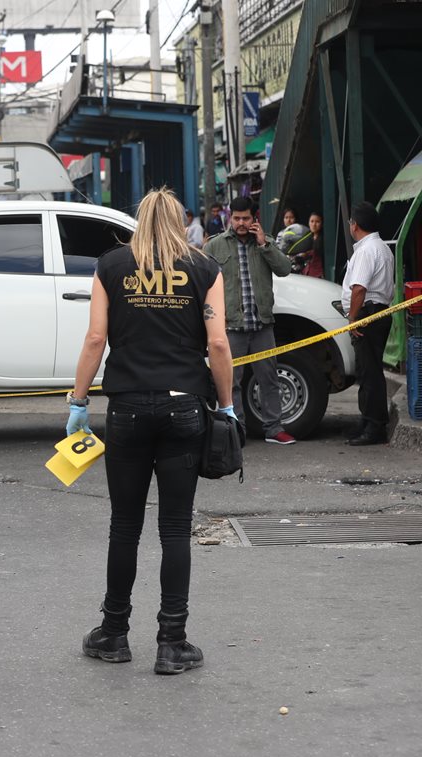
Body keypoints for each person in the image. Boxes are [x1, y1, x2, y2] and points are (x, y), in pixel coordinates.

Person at [67, 187, 235, 675]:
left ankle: (113, 634)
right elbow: (219, 342)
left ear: (139, 220)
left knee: (125, 526)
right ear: (183, 222)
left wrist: (78, 401)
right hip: (184, 407)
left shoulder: (111, 265)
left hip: (128, 408)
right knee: (175, 528)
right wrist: (226, 407)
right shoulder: (205, 268)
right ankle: (172, 642)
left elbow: (96, 337)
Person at [204, 196, 296, 445]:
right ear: (229, 218)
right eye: (237, 218)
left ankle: (274, 429)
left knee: (269, 379)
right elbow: (203, 283)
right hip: (231, 326)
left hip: (262, 325)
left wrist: (264, 243)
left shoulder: (265, 242)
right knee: (229, 382)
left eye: (246, 218)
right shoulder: (215, 246)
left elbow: (285, 269)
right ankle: (237, 429)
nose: (241, 223)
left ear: (254, 218)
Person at [342, 201, 396, 446]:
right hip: (378, 313)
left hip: (368, 315)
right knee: (368, 371)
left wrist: (353, 319)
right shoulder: (382, 248)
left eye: (351, 221)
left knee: (370, 373)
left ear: (356, 225)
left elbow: (359, 289)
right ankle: (367, 421)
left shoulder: (366, 251)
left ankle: (374, 427)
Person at [302, 212, 325, 278]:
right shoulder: (306, 238)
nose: (314, 224)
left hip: (319, 274)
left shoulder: (324, 239)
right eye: (312, 221)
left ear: (322, 223)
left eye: (317, 222)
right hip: (307, 273)